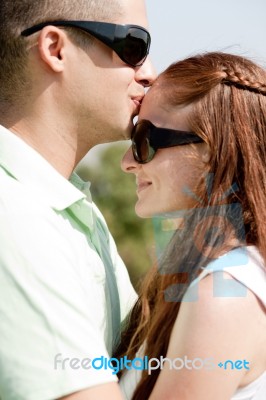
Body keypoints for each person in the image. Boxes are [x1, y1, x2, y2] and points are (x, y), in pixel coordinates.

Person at [0, 0, 156, 399]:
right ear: (55, 49)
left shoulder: (65, 206)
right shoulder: (16, 217)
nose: (150, 74)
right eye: (135, 48)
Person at [119, 52, 266, 399]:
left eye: (144, 141)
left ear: (213, 150)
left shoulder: (225, 292)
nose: (127, 162)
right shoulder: (218, 275)